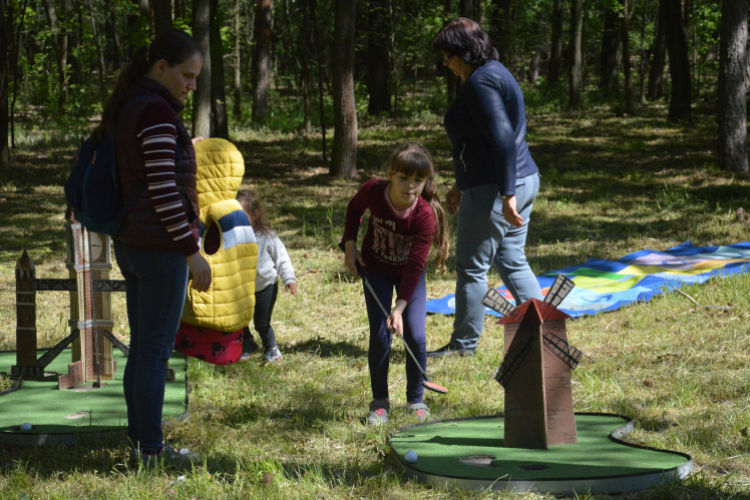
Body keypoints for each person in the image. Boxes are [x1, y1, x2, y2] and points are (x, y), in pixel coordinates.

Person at [92, 30, 212, 463]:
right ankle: (151, 448)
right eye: (187, 75)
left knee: (143, 348)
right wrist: (191, 251)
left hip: (133, 244)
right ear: (161, 67)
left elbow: (149, 171)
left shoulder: (134, 105)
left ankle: (139, 438)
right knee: (154, 353)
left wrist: (183, 149)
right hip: (161, 249)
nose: (191, 86)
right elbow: (162, 190)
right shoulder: (157, 113)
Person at [427, 18, 542, 358]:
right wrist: (461, 185)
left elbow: (502, 139)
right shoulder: (495, 72)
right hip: (523, 179)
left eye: (448, 56)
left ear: (464, 52)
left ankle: (463, 347)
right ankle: (545, 328)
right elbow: (478, 142)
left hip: (498, 189)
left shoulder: (480, 83)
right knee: (511, 260)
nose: (446, 64)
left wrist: (506, 195)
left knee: (471, 268)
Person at [342, 144, 449, 425]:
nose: (410, 186)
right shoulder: (374, 191)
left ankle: (416, 400)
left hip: (407, 277)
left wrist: (399, 309)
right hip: (375, 268)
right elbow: (354, 210)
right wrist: (350, 246)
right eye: (403, 178)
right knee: (379, 335)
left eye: (418, 180)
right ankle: (380, 403)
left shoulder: (425, 215)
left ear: (425, 181)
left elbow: (415, 267)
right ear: (391, 174)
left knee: (415, 335)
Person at [237, 189, 297, 364]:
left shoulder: (267, 237)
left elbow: (282, 259)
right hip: (243, 288)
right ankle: (248, 342)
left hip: (266, 287)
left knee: (261, 323)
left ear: (255, 215)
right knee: (238, 318)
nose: (237, 221)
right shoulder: (235, 237)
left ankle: (272, 350)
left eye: (242, 216)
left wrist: (289, 279)